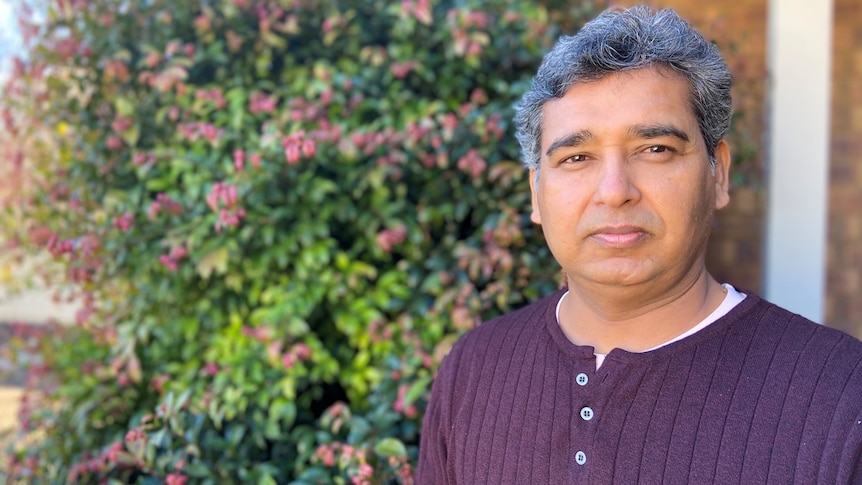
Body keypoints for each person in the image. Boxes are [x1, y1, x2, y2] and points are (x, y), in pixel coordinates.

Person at [416, 5, 862, 484]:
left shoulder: (838, 394)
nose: (614, 189)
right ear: (536, 194)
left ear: (719, 174)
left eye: (655, 150)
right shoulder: (475, 369)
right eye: (576, 156)